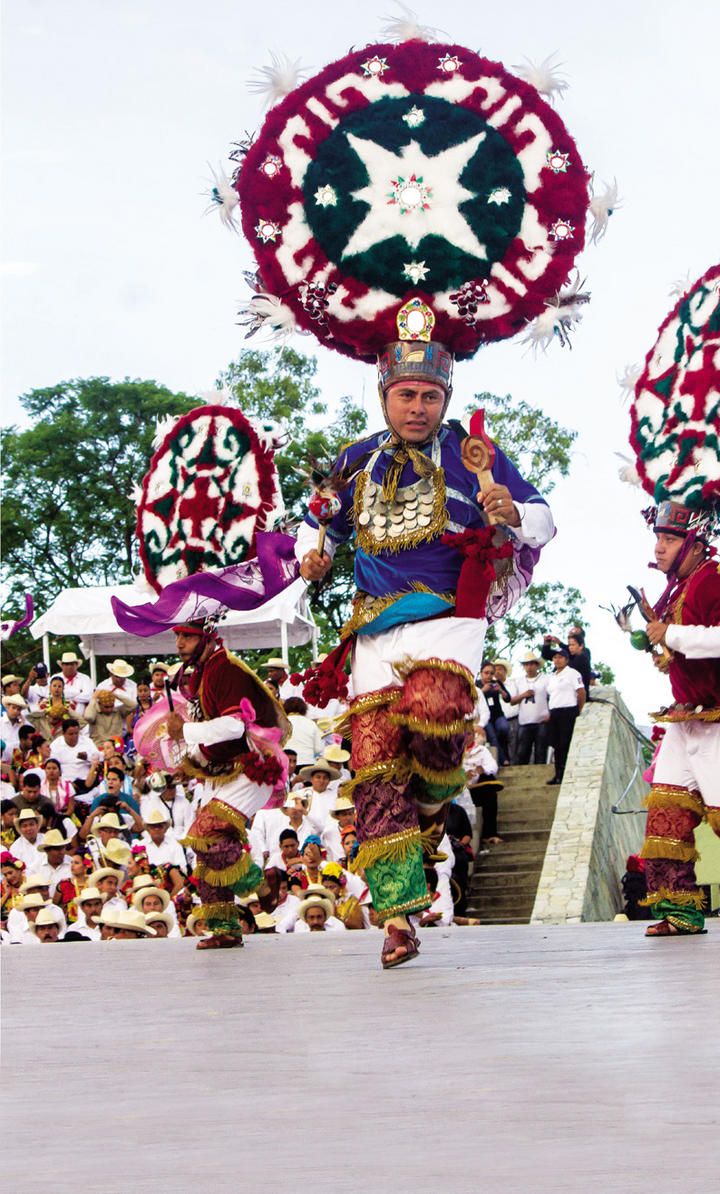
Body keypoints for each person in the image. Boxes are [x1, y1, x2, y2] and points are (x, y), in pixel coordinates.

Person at [297, 338, 553, 967]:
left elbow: (545, 520)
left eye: (429, 396)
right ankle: (399, 918)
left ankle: (436, 804)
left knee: (436, 710)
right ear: (384, 397)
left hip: (449, 619)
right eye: (405, 395)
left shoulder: (476, 456)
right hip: (375, 629)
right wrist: (316, 552)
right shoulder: (354, 461)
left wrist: (513, 510)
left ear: (446, 400)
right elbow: (320, 521)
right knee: (376, 768)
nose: (417, 407)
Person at [164, 618, 290, 948]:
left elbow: (235, 727)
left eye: (187, 637)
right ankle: (225, 928)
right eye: (177, 636)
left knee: (205, 833)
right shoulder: (205, 672)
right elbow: (215, 734)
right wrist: (191, 762)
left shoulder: (226, 669)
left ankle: (264, 883)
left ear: (208, 637)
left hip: (253, 766)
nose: (179, 644)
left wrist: (185, 732)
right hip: (224, 769)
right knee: (204, 850)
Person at [637, 502, 720, 935]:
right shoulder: (681, 586)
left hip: (717, 720)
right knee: (666, 816)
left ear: (694, 543)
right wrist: (669, 653)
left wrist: (671, 634)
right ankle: (681, 912)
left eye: (669, 539)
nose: (660, 547)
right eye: (659, 538)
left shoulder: (713, 578)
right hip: (684, 720)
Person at [546, 647, 585, 785]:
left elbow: (581, 692)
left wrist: (579, 710)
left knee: (565, 744)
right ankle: (558, 774)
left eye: (560, 657)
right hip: (555, 712)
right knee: (556, 745)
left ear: (566, 659)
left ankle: (567, 774)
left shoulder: (572, 673)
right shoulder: (552, 677)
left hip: (568, 710)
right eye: (555, 657)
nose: (557, 660)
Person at [512, 651, 550, 765]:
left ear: (536, 665)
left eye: (532, 664)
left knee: (541, 751)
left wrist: (550, 715)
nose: (529, 667)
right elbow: (512, 701)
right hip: (525, 721)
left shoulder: (546, 679)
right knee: (522, 753)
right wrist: (524, 695)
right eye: (527, 664)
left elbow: (552, 697)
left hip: (541, 720)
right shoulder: (518, 681)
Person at [282, 697, 323, 767]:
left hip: (287, 764)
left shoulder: (281, 723)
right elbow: (318, 749)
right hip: (308, 764)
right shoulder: (311, 723)